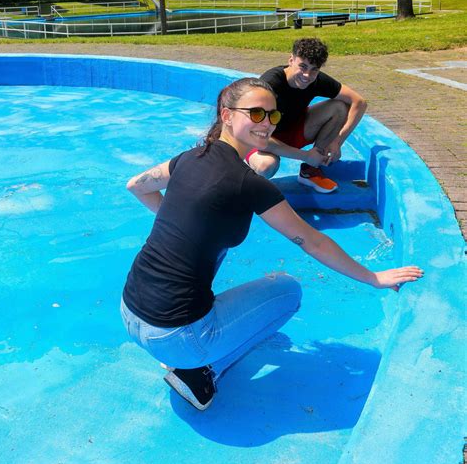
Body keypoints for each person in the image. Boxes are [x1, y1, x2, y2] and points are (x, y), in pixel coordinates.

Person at [120, 77, 423, 411]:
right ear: (226, 115)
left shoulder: (189, 158)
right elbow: (312, 241)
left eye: (273, 116)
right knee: (287, 291)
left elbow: (137, 185)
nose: (266, 124)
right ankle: (199, 372)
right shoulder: (247, 183)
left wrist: (177, 220)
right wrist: (374, 278)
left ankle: (186, 353)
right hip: (176, 337)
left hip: (130, 312)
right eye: (256, 113)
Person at [246, 37, 368, 194]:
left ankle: (310, 171)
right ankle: (245, 170)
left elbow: (359, 102)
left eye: (314, 69)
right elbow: (258, 137)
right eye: (302, 67)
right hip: (261, 138)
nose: (307, 75)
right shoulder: (269, 85)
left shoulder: (316, 80)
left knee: (339, 107)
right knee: (265, 167)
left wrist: (338, 141)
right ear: (291, 60)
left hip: (293, 129)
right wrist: (305, 155)